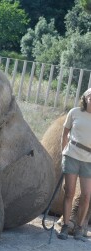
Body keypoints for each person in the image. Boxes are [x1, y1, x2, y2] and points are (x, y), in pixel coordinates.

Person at [58, 87, 91, 241]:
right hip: (72, 155)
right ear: (85, 98)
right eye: (90, 95)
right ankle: (65, 225)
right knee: (69, 192)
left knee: (86, 196)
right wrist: (63, 151)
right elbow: (65, 133)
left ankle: (78, 227)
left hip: (89, 160)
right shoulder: (75, 112)